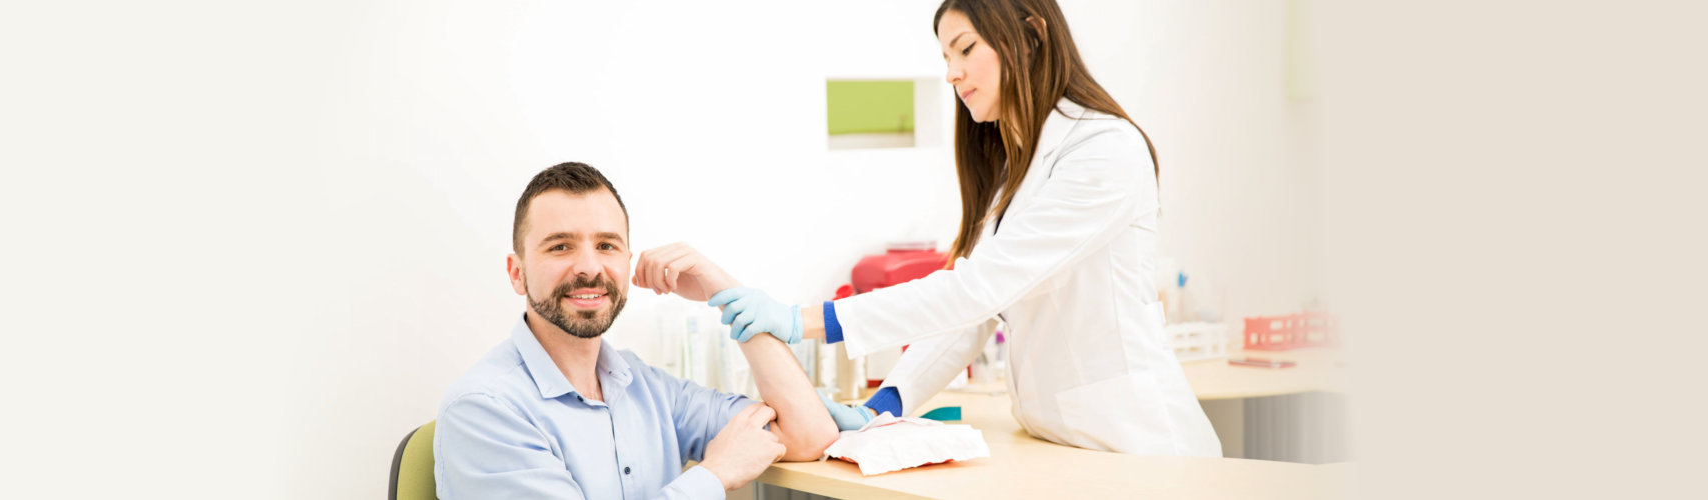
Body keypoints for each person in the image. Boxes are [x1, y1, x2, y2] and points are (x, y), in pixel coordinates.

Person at [651, 0, 1220, 456]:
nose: (951, 73)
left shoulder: (1104, 152)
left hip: (1141, 446)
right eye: (946, 55)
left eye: (965, 49)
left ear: (1030, 33)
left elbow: (976, 291)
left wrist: (805, 321)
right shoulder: (1012, 176)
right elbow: (975, 313)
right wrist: (887, 403)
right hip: (1064, 443)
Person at [435, 162, 837, 500]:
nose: (589, 268)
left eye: (607, 246)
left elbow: (807, 434)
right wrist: (714, 475)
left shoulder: (643, 386)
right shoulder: (484, 409)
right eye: (560, 246)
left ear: (628, 264)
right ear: (517, 273)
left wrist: (725, 291)